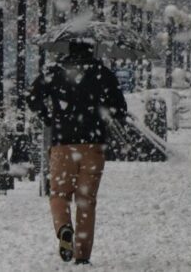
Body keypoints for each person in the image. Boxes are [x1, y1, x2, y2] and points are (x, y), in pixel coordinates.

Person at [27, 41, 128, 265]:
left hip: (63, 143)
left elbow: (32, 99)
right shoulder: (103, 74)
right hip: (93, 144)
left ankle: (64, 227)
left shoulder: (54, 72)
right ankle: (82, 255)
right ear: (91, 49)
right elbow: (120, 109)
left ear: (69, 50)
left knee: (59, 195)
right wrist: (102, 114)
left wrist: (48, 117)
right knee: (86, 200)